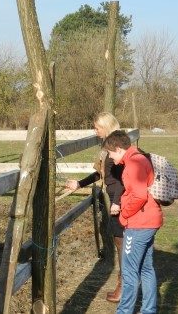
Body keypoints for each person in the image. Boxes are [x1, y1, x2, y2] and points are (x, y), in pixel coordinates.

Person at [64, 112, 124, 302]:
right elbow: (100, 173)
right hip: (114, 197)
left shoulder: (117, 145)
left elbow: (124, 176)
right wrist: (80, 184)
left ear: (106, 127)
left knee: (121, 242)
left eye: (97, 127)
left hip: (119, 199)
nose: (95, 130)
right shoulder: (107, 145)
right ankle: (126, 284)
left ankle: (124, 286)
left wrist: (117, 201)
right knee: (119, 241)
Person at [103, 130, 163, 314]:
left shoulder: (132, 165)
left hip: (139, 224)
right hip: (150, 221)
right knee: (146, 268)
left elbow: (138, 195)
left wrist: (124, 215)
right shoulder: (140, 158)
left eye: (110, 153)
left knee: (129, 272)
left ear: (119, 148)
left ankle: (124, 311)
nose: (110, 157)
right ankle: (149, 310)